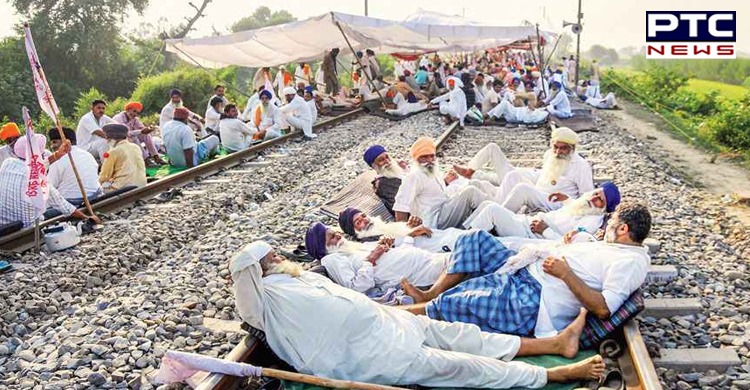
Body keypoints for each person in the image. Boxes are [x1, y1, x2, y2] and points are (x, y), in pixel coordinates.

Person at [231, 241, 605, 389]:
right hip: (368, 356)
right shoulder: (262, 300)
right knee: (461, 366)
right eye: (268, 259)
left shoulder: (295, 277)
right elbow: (242, 275)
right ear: (255, 272)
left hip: (389, 323)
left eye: (275, 253)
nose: (277, 257)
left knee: (465, 336)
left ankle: (552, 343)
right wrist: (252, 262)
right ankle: (549, 373)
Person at [400, 202, 651, 338]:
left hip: (532, 297)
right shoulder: (621, 250)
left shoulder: (630, 263)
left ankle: (397, 314)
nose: (606, 228)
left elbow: (603, 308)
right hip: (525, 270)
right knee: (473, 239)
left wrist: (566, 273)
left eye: (612, 225)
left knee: (457, 302)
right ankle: (430, 294)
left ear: (623, 230)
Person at [304, 222, 450, 293]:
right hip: (422, 274)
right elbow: (357, 288)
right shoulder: (332, 259)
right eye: (331, 237)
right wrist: (371, 259)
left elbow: (396, 255)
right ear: (322, 247)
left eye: (336, 232)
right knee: (467, 247)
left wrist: (408, 237)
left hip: (428, 260)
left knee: (466, 246)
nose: (338, 235)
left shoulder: (351, 248)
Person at [0, 134, 102, 228]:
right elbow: (64, 207)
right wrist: (86, 217)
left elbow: (33, 168)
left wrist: (57, 155)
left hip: (4, 223)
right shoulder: (39, 180)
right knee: (49, 210)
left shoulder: (7, 163)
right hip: (27, 227)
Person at [393, 137, 493, 229]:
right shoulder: (414, 176)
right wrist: (404, 235)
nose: (430, 161)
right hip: (435, 221)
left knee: (474, 183)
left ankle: (493, 215)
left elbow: (434, 193)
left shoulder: (432, 171)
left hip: (444, 210)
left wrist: (446, 182)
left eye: (432, 156)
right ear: (416, 160)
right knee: (470, 192)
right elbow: (400, 206)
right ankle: (493, 216)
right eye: (424, 157)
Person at [464, 183, 620, 240]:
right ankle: (461, 233)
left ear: (604, 208)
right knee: (487, 204)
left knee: (492, 210)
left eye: (599, 199)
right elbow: (574, 212)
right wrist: (566, 199)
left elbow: (568, 244)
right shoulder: (588, 208)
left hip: (533, 234)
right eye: (595, 193)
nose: (593, 198)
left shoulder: (593, 222)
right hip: (527, 222)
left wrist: (545, 230)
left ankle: (460, 243)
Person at [338, 207, 471, 253]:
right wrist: (411, 234)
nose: (365, 220)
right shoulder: (368, 245)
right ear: (354, 231)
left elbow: (401, 234)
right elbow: (397, 253)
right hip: (440, 248)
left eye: (363, 216)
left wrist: (411, 225)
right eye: (358, 222)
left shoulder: (382, 227)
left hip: (442, 236)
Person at [47, 127, 102, 205]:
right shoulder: (87, 154)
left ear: (66, 142)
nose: (52, 146)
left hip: (72, 203)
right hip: (95, 197)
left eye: (54, 142)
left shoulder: (58, 160)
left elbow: (48, 188)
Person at [112, 102, 166, 166]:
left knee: (146, 135)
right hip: (118, 140)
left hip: (128, 139)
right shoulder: (119, 118)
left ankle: (156, 157)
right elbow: (126, 134)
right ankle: (145, 159)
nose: (135, 114)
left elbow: (142, 128)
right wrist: (141, 131)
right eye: (134, 111)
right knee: (134, 138)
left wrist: (149, 129)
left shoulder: (134, 119)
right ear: (127, 110)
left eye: (137, 112)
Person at [98, 124, 147, 192]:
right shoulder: (135, 147)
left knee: (100, 188)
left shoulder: (113, 152)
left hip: (122, 188)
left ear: (110, 138)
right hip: (141, 184)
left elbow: (104, 177)